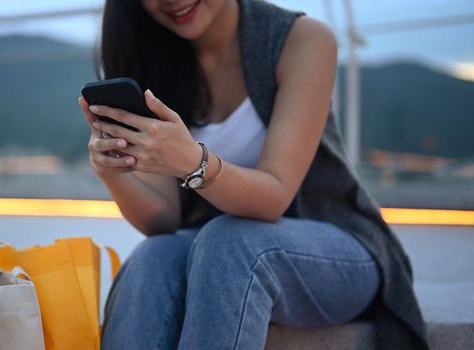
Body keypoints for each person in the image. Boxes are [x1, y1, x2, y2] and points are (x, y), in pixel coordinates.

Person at [78, 0, 428, 349]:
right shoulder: (152, 55)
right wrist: (112, 171)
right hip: (220, 260)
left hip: (338, 253)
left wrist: (193, 162)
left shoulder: (299, 39)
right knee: (153, 256)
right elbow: (165, 221)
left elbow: (274, 197)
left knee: (230, 242)